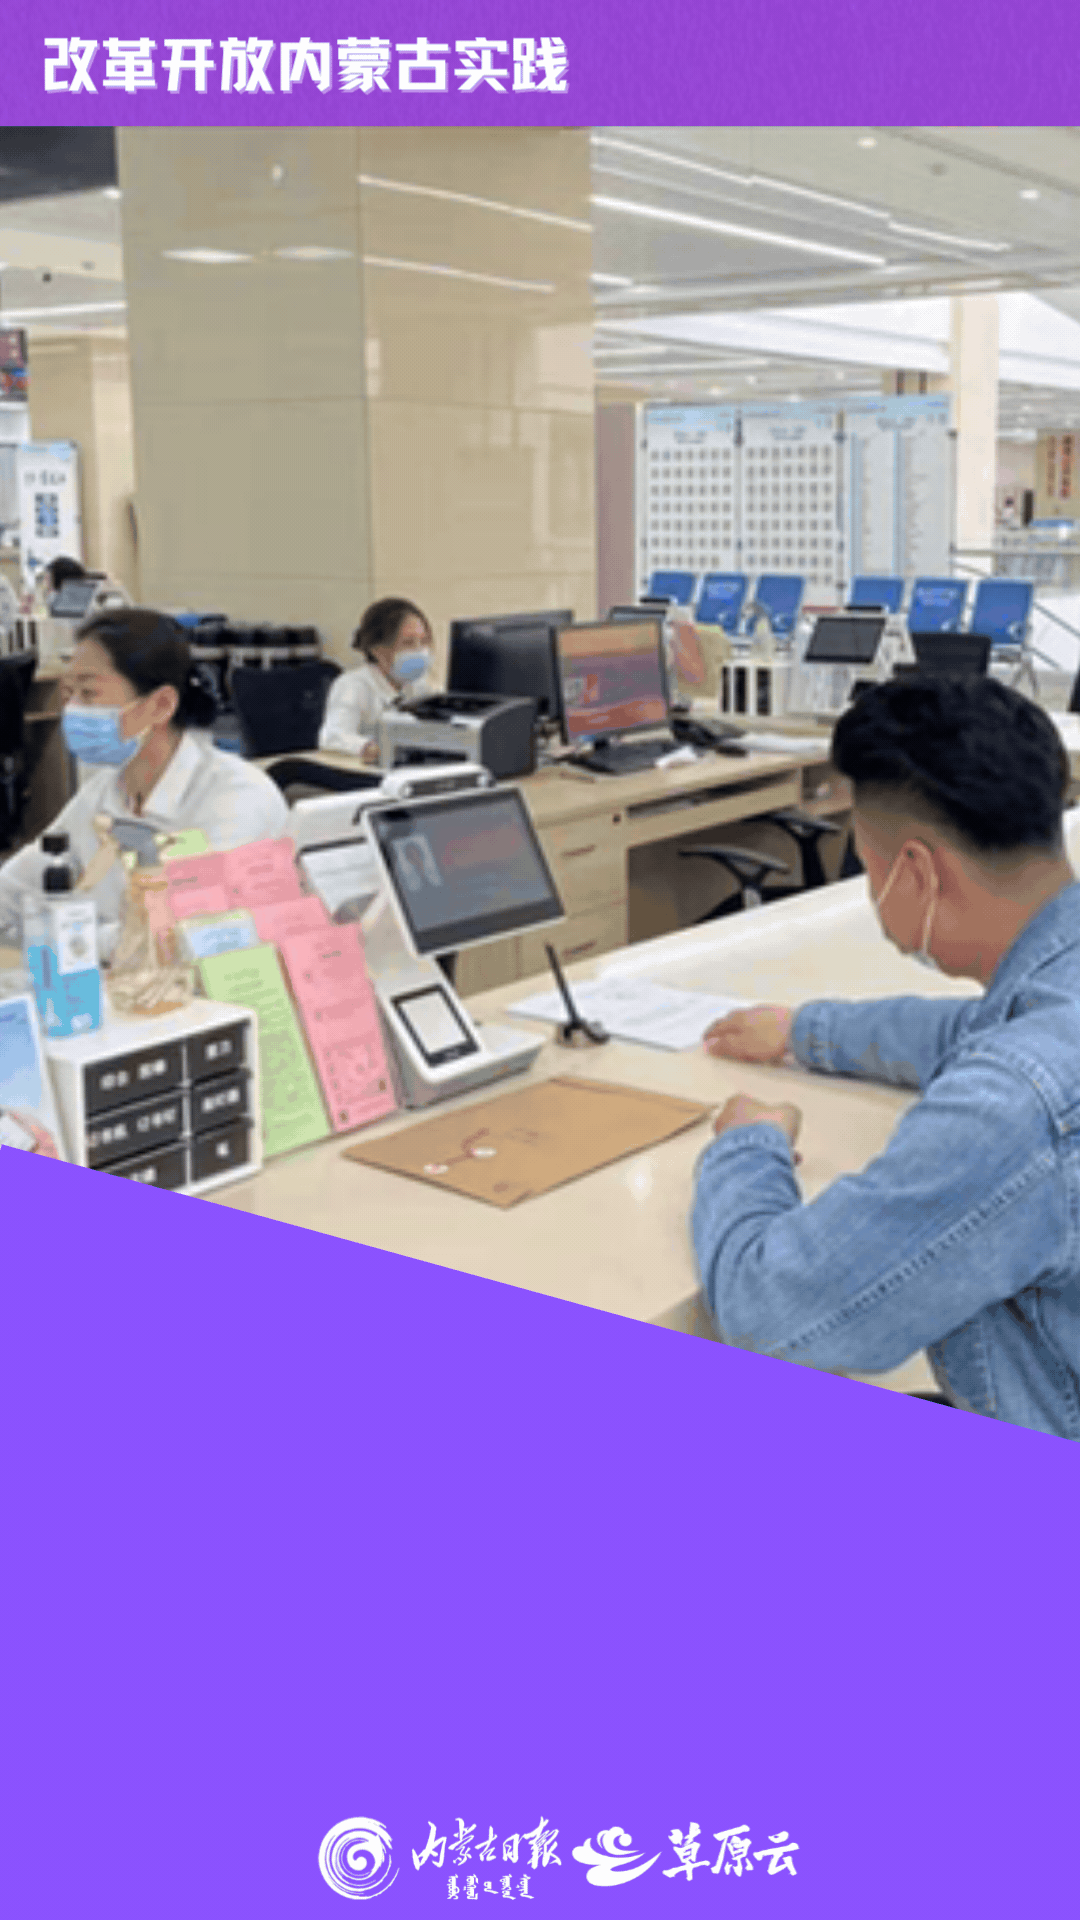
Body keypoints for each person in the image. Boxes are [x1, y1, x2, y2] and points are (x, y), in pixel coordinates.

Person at [692, 675, 1080, 1440]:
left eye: (866, 866)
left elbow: (771, 1311)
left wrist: (749, 1146)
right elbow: (973, 1030)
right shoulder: (1051, 1002)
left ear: (920, 873)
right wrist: (806, 1031)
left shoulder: (1012, 1109)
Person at [0, 607, 289, 960]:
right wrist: (74, 933)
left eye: (88, 693)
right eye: (68, 693)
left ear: (161, 705)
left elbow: (180, 940)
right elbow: (12, 890)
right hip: (117, 982)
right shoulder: (104, 792)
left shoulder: (236, 797)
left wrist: (67, 932)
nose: (72, 710)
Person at [318, 598, 435, 763]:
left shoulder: (420, 687)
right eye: (408, 643)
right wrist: (369, 748)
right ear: (377, 649)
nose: (420, 651)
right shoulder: (353, 685)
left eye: (423, 641)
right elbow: (333, 737)